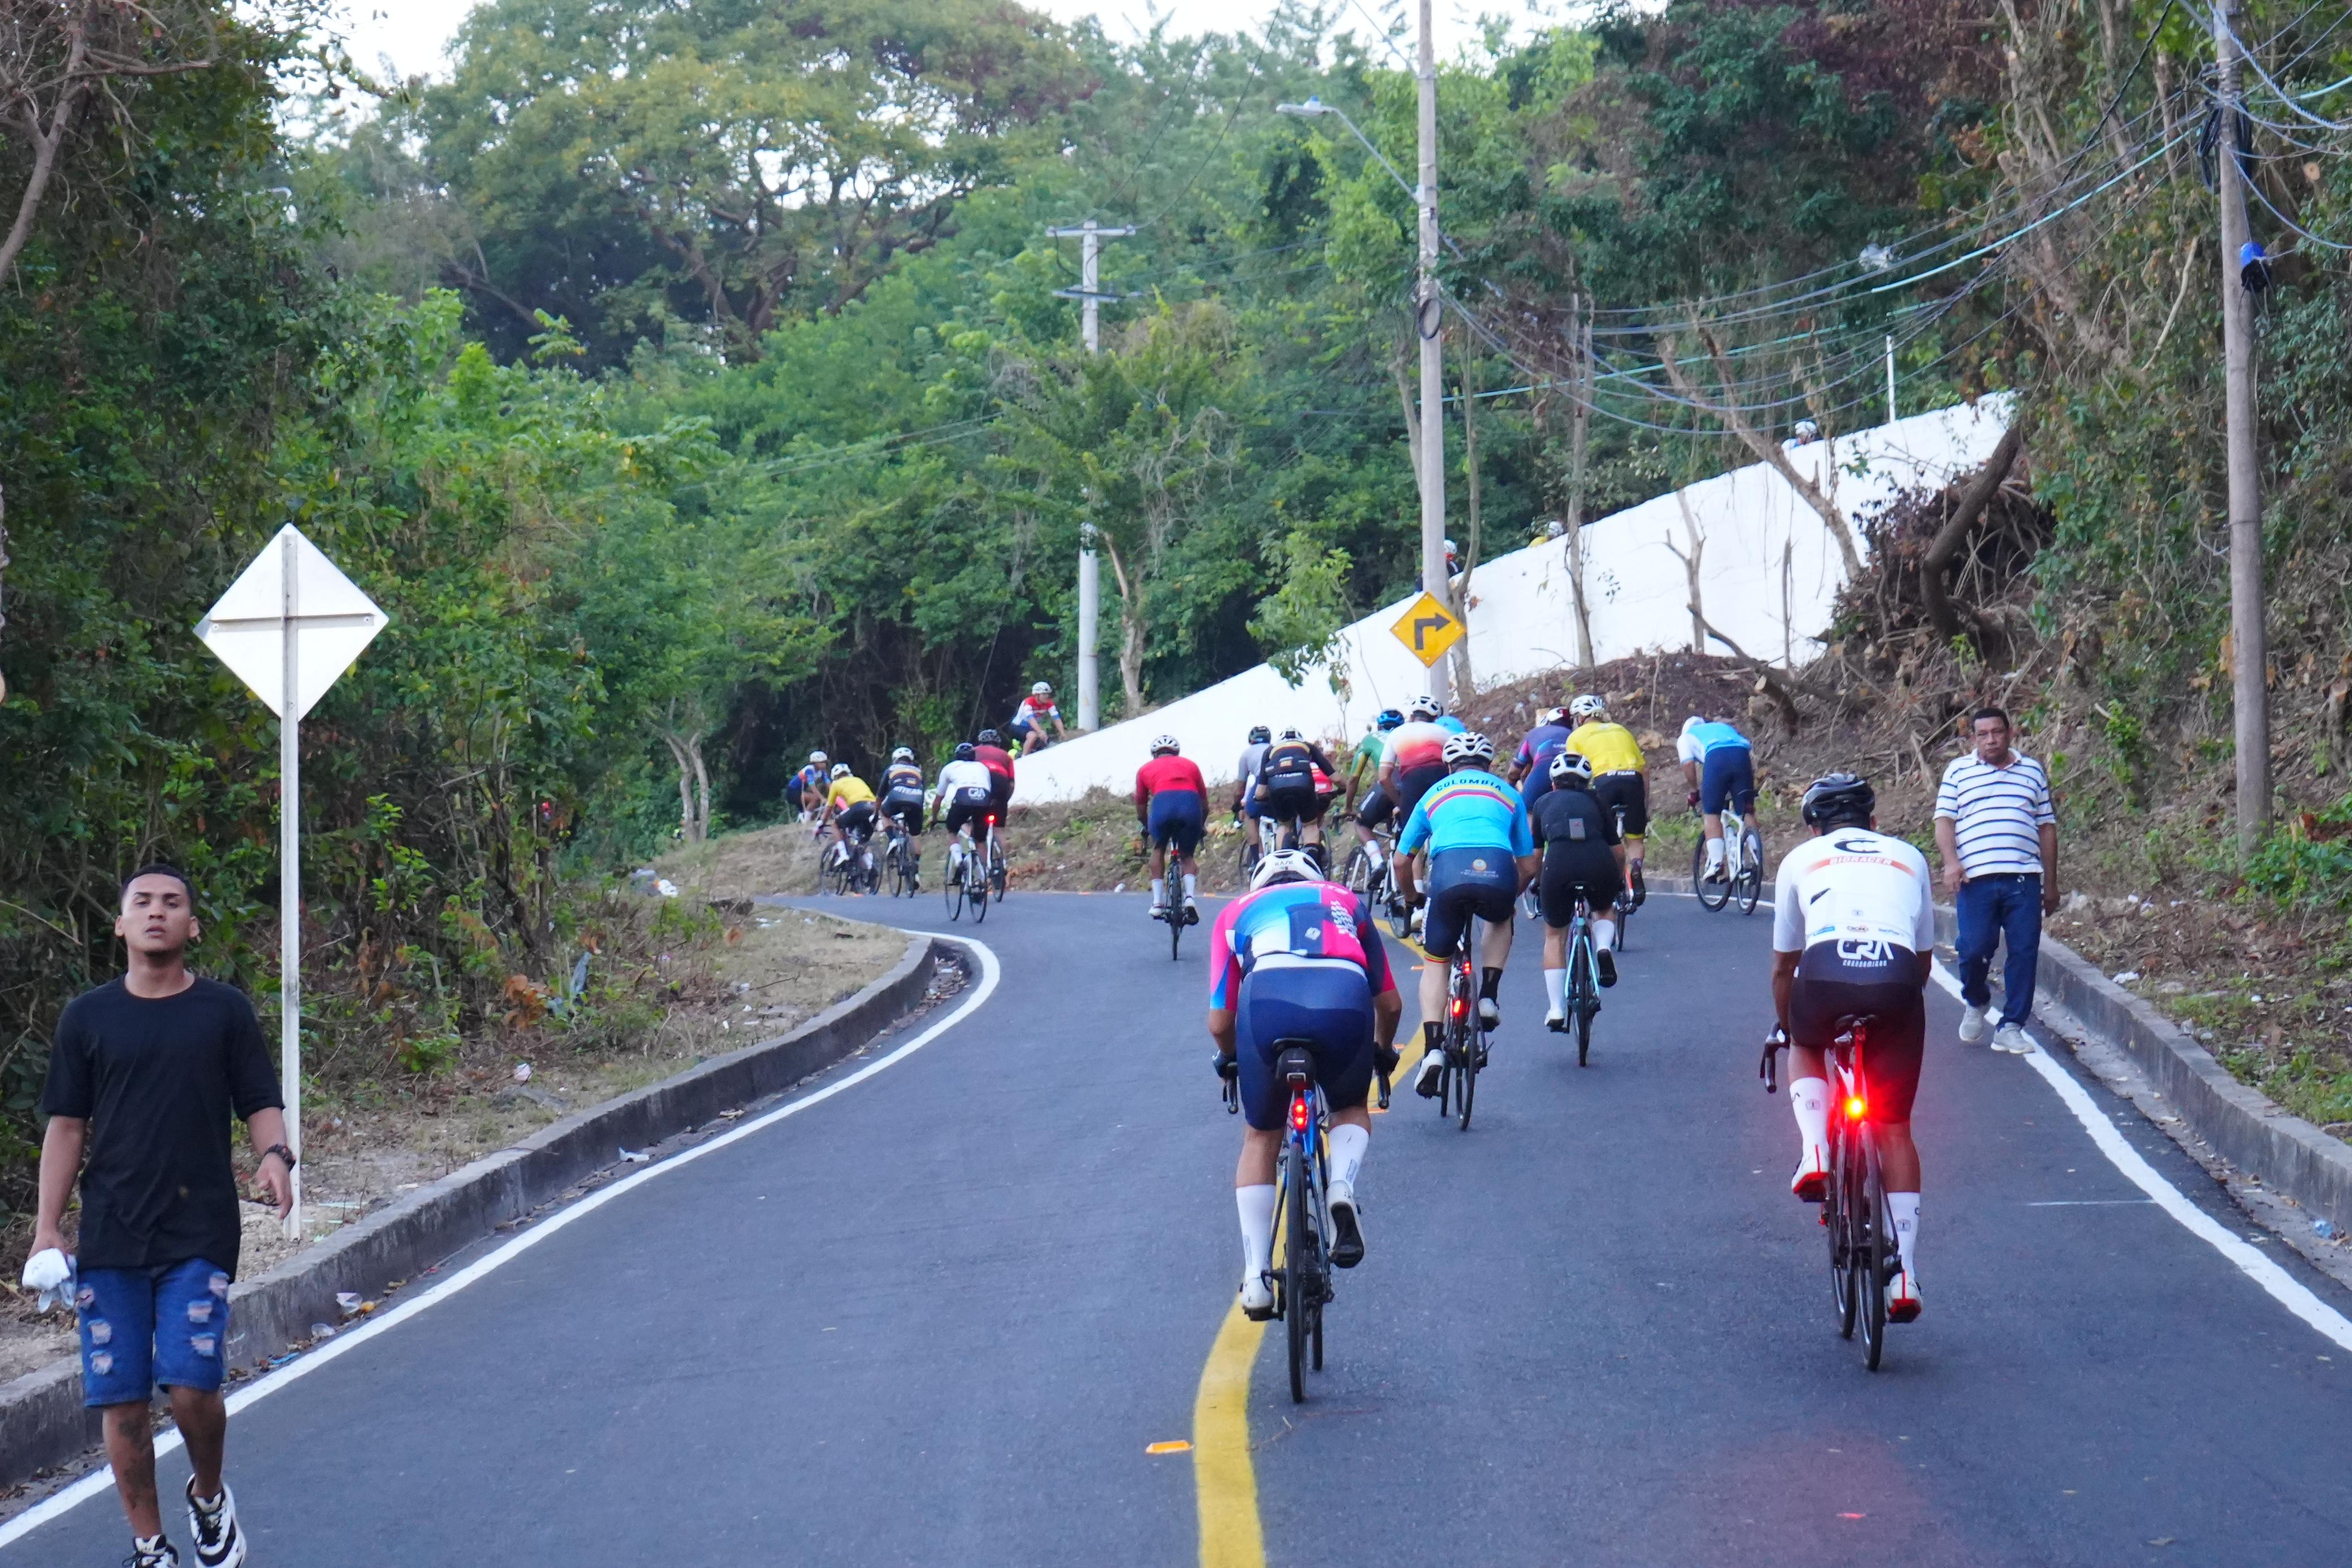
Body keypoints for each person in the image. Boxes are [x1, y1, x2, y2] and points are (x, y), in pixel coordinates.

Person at [33, 865, 291, 1568]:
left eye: (172, 903)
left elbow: (259, 1099)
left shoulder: (223, 1010)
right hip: (113, 1233)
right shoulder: (87, 1017)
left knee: (191, 1387)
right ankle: (150, 1546)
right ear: (118, 924)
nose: (156, 913)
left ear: (192, 925)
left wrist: (275, 1155)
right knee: (120, 1402)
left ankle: (208, 1497)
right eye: (141, 903)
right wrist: (47, 1228)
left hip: (198, 1229)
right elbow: (66, 1127)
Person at [1208, 850, 1403, 1318]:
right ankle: (1340, 1186)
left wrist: (1233, 1059)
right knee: (1349, 1107)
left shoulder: (1235, 913)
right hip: (1344, 999)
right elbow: (1391, 1004)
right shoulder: (1347, 902)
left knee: (1260, 1136)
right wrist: (1382, 1050)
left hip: (1269, 1003)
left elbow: (1219, 1021)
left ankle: (1256, 1277)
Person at [1770, 773, 1934, 1323]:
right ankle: (1904, 1271)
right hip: (1894, 979)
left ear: (1813, 826)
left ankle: (1815, 1148)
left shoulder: (1801, 858)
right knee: (1892, 1127)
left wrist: (1785, 1026)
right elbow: (1923, 961)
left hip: (1823, 970)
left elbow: (1782, 964)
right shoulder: (1908, 855)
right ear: (1873, 822)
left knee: (1803, 1041)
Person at [1395, 732, 1538, 1096]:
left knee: (1437, 963)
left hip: (1448, 875)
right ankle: (1488, 996)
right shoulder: (1509, 795)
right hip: (1497, 871)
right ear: (1490, 766)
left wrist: (1414, 900)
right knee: (1501, 916)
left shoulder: (1434, 794)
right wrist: (1509, 893)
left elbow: (1401, 860)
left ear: (1448, 765)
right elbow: (1529, 863)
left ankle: (1431, 1052)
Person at [1934, 706, 2059, 1055]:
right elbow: (1944, 821)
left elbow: (2046, 827)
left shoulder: (2032, 771)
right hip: (1976, 880)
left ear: (2011, 733)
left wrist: (2051, 882)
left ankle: (2012, 1025)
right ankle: (1977, 1000)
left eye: (1998, 732)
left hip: (2024, 879)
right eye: (1983, 734)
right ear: (1974, 738)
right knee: (1973, 949)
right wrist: (1951, 863)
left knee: (2024, 952)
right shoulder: (1959, 772)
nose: (1992, 739)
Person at [1530, 752, 1625, 1029]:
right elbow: (1618, 850)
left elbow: (1536, 855)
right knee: (1604, 908)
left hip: (1558, 865)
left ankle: (1557, 1010)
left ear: (1553, 785)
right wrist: (1617, 878)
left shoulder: (1542, 803)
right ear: (1587, 783)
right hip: (1597, 860)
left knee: (1554, 935)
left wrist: (1538, 881)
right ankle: (1604, 947)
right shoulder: (1597, 800)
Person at [1562, 695, 1650, 904]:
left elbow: (1574, 774)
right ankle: (1636, 869)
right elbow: (1645, 769)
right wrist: (1645, 803)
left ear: (1581, 718)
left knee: (1603, 836)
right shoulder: (1621, 730)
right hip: (1632, 779)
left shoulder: (1576, 736)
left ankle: (1609, 878)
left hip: (1604, 781)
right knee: (1635, 839)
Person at [1135, 734, 1207, 923]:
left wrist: (1146, 825)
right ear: (1177, 753)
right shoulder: (1191, 765)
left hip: (1162, 807)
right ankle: (1190, 898)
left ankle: (1158, 903)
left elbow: (1141, 805)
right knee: (1187, 855)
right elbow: (1204, 802)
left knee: (1159, 848)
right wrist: (1201, 825)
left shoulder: (1144, 769)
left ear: (1154, 754)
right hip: (1190, 806)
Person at [1678, 713, 1757, 881]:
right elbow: (1746, 745)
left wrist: (1694, 790)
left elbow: (1687, 763)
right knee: (1746, 811)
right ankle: (1757, 856)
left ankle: (1716, 864)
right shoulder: (1722, 727)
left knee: (1712, 812)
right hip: (1741, 755)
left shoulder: (1686, 738)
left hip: (1716, 758)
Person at [1375, 696, 1454, 831]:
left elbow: (1383, 777)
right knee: (1447, 827)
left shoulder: (1396, 734)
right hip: (1441, 778)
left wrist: (1400, 804)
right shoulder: (1446, 733)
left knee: (1411, 836)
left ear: (1411, 717)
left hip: (1412, 780)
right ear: (1435, 719)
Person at [1252, 726, 1336, 852]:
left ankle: (1282, 862)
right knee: (1310, 825)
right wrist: (1343, 788)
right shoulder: (1307, 746)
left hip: (1277, 788)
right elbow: (1336, 778)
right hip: (1303, 785)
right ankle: (1311, 861)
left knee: (1284, 825)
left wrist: (1260, 798)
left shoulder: (1270, 751)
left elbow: (1260, 792)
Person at [1343, 710, 1406, 874]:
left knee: (1361, 822)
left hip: (1388, 782)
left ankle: (1378, 863)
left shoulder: (1371, 738)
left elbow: (1354, 778)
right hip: (1412, 784)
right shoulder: (1408, 736)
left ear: (1379, 726)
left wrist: (1348, 808)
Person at [934, 743, 999, 882]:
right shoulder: (982, 767)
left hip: (963, 799)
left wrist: (934, 817)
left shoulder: (950, 768)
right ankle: (986, 874)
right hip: (983, 799)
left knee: (952, 831)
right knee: (980, 840)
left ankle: (958, 861)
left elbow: (939, 799)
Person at [878, 747, 927, 889]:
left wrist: (877, 811)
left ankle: (893, 840)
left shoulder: (892, 769)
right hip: (917, 800)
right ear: (911, 760)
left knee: (884, 813)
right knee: (915, 836)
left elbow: (880, 795)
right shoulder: (918, 771)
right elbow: (922, 789)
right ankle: (916, 870)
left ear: (895, 759)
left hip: (896, 797)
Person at [823, 763, 878, 886]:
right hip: (873, 808)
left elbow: (829, 807)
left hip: (857, 807)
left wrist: (822, 823)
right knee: (862, 841)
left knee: (835, 825)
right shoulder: (858, 780)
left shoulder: (836, 784)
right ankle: (870, 866)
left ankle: (843, 855)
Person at [1506, 705, 1572, 805]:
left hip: (1543, 768)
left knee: (1527, 810)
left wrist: (1510, 787)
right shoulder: (1573, 734)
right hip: (1572, 774)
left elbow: (1514, 771)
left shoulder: (1534, 733)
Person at [972, 729, 1017, 876]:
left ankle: (985, 871)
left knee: (979, 836)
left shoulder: (974, 751)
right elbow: (1011, 784)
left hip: (982, 786)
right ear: (997, 743)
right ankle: (1003, 862)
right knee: (999, 830)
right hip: (1001, 787)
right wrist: (1004, 801)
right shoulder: (1005, 756)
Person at [1008, 682, 1069, 754]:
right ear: (1037, 695)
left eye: (1048, 694)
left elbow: (1056, 719)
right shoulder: (1028, 702)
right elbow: (1031, 719)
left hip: (1031, 728)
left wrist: (1062, 733)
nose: (1047, 696)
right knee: (1033, 736)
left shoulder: (1049, 703)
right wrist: (1040, 732)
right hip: (1018, 726)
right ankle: (1024, 758)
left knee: (1045, 740)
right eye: (1044, 694)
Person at [1230, 725, 1273, 822]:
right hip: (1279, 781)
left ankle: (1253, 839)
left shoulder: (1246, 754)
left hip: (1262, 781)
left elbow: (1240, 790)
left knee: (1250, 812)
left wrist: (1237, 805)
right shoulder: (1274, 748)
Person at [790, 751, 831, 821]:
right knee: (815, 798)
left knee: (814, 813)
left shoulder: (822, 771)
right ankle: (807, 822)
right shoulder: (809, 770)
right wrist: (822, 798)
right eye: (822, 763)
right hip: (792, 792)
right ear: (815, 763)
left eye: (825, 762)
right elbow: (812, 786)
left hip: (801, 791)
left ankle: (807, 819)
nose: (824, 765)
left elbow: (829, 784)